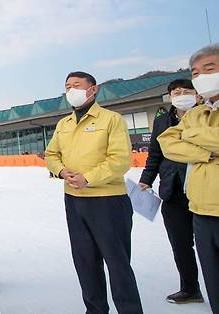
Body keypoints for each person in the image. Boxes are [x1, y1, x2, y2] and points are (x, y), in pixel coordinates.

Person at [45, 71, 143, 314]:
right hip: (75, 201)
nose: (71, 91)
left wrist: (88, 178)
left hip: (107, 201)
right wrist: (60, 171)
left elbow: (120, 160)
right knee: (85, 262)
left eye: (77, 85)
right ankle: (95, 309)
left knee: (117, 263)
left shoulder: (111, 119)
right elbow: (51, 154)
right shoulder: (64, 124)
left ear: (93, 89)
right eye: (67, 86)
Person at [159, 44, 219, 314]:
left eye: (210, 68)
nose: (201, 76)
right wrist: (208, 154)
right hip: (200, 209)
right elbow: (167, 144)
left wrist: (191, 136)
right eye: (196, 72)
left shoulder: (193, 119)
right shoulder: (196, 114)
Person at [138, 79, 203, 304]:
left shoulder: (207, 116)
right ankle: (190, 288)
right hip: (172, 191)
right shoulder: (163, 121)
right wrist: (146, 179)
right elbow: (155, 153)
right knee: (180, 244)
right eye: (176, 92)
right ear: (170, 96)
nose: (182, 95)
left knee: (210, 244)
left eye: (187, 91)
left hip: (203, 190)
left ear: (197, 94)